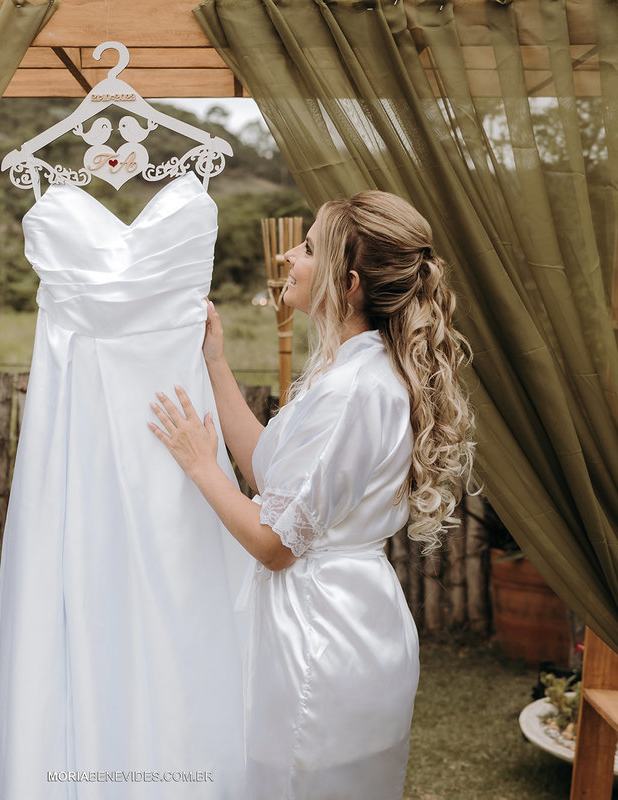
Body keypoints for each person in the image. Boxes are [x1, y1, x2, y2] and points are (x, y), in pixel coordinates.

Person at [149, 190, 478, 799]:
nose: (290, 259)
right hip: (337, 617)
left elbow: (274, 545)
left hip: (323, 636)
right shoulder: (353, 370)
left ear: (348, 283)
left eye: (306, 248)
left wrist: (200, 466)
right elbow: (270, 476)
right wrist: (216, 364)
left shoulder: (353, 390)